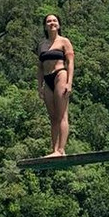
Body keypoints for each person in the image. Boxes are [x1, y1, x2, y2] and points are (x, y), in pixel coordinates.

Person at [37, 13, 74, 157]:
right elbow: (39, 67)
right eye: (48, 21)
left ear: (58, 24)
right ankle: (54, 150)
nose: (52, 23)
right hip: (47, 79)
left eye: (54, 20)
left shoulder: (64, 42)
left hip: (60, 75)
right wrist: (39, 86)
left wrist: (69, 82)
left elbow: (70, 62)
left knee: (62, 114)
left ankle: (61, 149)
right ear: (45, 26)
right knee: (53, 117)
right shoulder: (41, 45)